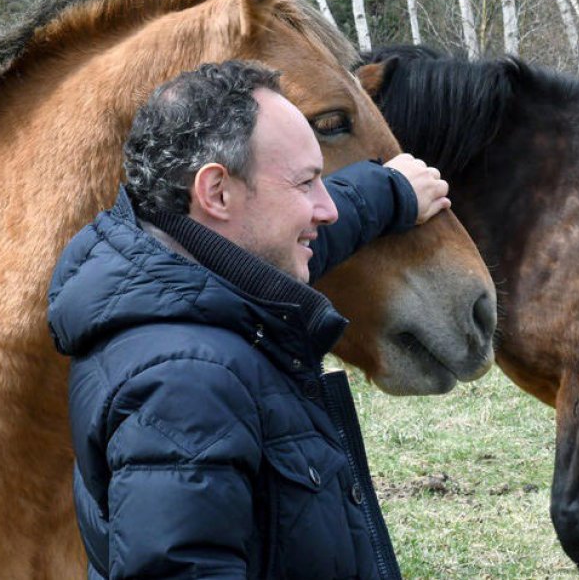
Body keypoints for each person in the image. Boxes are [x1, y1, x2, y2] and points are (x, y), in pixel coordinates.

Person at [47, 60, 450, 579]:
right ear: (216, 192)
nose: (327, 209)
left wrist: (390, 191)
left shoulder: (180, 275)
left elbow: (289, 234)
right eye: (307, 183)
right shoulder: (185, 387)